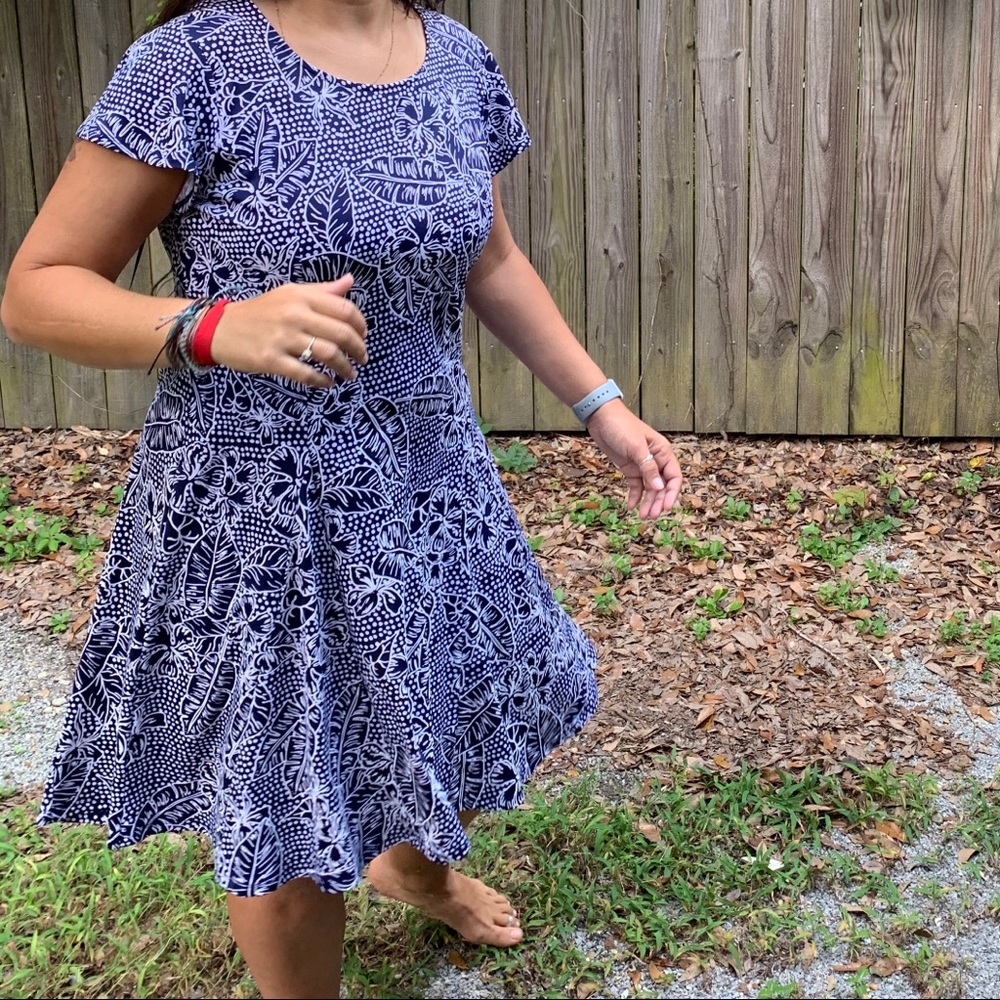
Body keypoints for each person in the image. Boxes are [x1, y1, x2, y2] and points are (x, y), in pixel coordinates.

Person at [1, 0, 683, 996]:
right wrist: (213, 325)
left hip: (425, 479)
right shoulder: (190, 65)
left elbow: (489, 257)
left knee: (443, 704)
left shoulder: (455, 61)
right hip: (260, 510)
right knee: (280, 805)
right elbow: (36, 289)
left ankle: (413, 869)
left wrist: (599, 402)